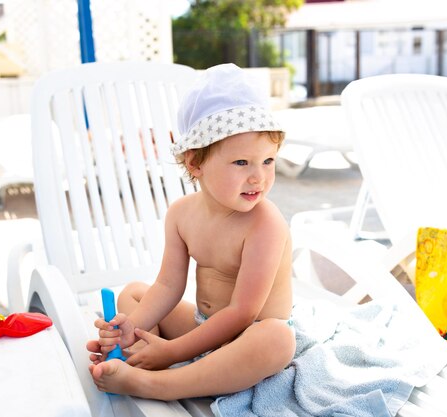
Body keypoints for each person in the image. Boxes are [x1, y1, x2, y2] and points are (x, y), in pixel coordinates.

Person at [86, 63, 296, 400]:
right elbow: (168, 285)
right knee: (136, 294)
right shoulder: (181, 214)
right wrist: (129, 327)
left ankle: (161, 384)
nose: (259, 177)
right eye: (242, 163)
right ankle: (135, 350)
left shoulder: (266, 223)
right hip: (202, 326)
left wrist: (175, 352)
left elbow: (244, 312)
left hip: (248, 339)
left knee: (278, 339)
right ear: (194, 163)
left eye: (268, 161)